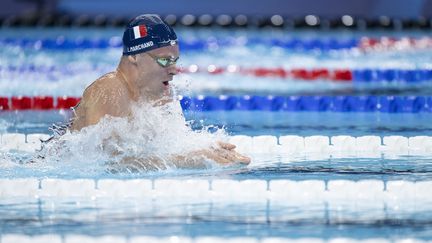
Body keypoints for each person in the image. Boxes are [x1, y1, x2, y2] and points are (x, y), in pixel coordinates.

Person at [67, 14, 250, 168]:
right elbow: (107, 164)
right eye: (165, 61)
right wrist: (187, 160)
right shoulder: (110, 89)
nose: (174, 70)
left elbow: (168, 143)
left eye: (175, 61)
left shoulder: (158, 91)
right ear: (134, 56)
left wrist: (205, 148)